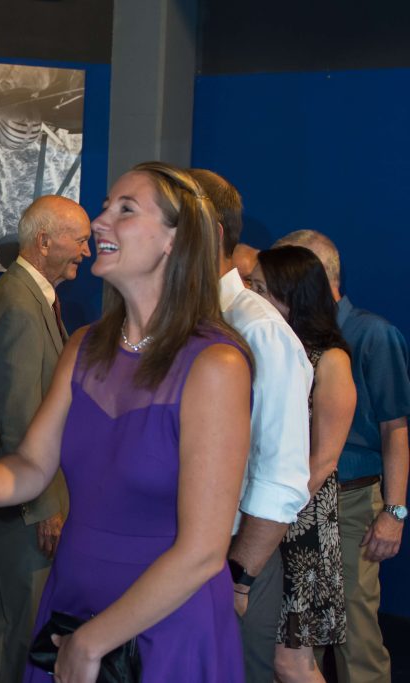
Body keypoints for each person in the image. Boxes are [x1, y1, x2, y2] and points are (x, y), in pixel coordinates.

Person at [0, 162, 252, 682]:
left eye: (125, 210)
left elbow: (203, 552)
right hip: (71, 606)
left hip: (163, 627)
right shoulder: (84, 346)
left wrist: (92, 642)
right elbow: (32, 466)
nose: (100, 221)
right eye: (107, 206)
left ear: (175, 241)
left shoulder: (215, 364)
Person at [190, 168, 312, 683]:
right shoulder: (176, 319)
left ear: (208, 232)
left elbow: (280, 472)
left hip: (231, 559)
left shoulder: (258, 329)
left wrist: (238, 576)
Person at [275, 229, 410, 683]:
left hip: (352, 502)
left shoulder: (373, 335)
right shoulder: (288, 337)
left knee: (357, 633)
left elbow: (395, 429)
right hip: (296, 501)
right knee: (296, 637)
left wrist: (394, 512)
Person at [0, 195, 90, 683]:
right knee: (22, 626)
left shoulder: (27, 295)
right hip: (26, 502)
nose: (86, 251)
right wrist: (45, 506)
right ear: (45, 241)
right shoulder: (21, 303)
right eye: (79, 240)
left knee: (5, 624)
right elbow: (19, 416)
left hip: (19, 496)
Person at [250, 245, 356, 682]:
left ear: (292, 294)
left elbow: (325, 459)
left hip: (300, 524)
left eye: (260, 289)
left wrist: (271, 513)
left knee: (291, 660)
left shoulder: (331, 360)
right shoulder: (268, 347)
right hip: (265, 514)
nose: (250, 296)